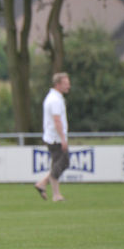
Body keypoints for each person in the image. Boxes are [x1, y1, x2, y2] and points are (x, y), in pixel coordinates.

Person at [34, 72, 71, 202]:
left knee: (57, 163)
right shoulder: (54, 100)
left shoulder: (54, 97)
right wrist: (63, 139)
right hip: (55, 138)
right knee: (63, 162)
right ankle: (46, 186)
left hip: (53, 136)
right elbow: (57, 121)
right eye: (66, 84)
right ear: (58, 84)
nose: (69, 86)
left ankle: (53, 191)